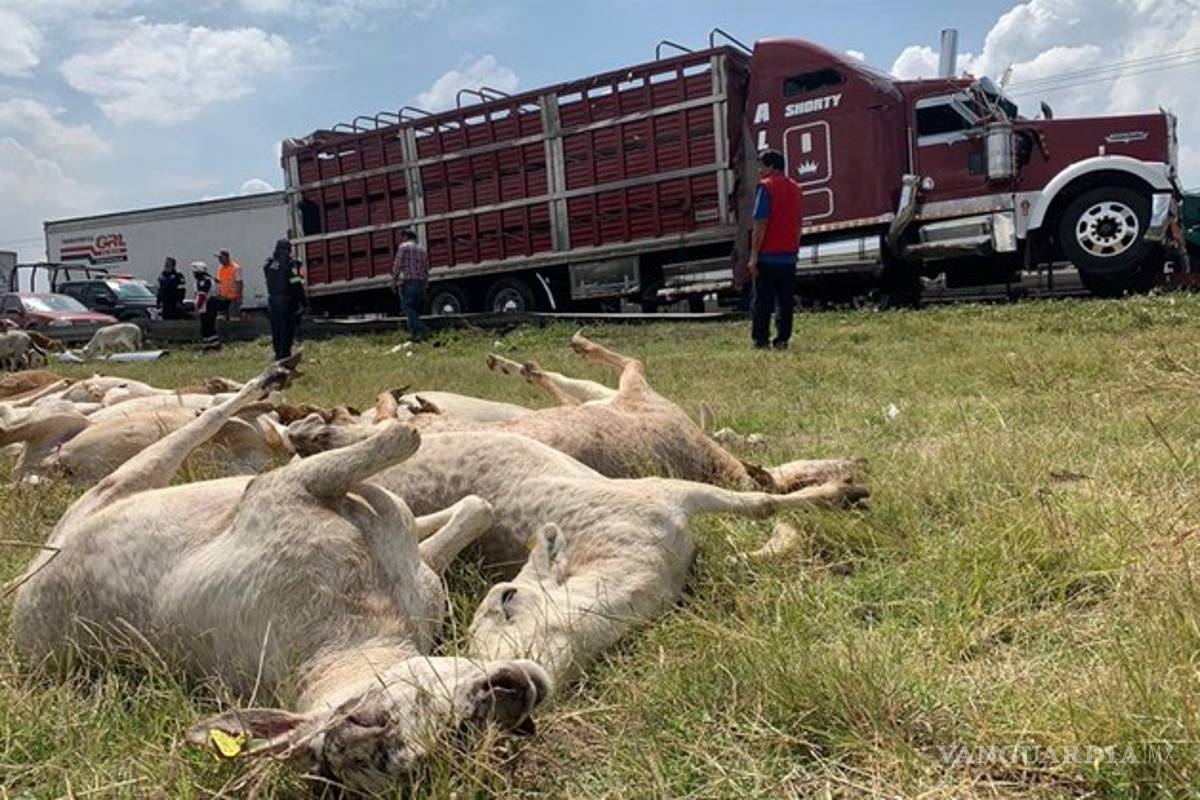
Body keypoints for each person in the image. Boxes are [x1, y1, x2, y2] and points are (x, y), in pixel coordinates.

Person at [748, 149, 802, 350]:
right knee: (785, 302)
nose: (759, 171)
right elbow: (798, 223)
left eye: (761, 166)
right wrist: (795, 249)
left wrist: (754, 255)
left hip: (768, 255)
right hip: (788, 256)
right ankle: (782, 339)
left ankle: (761, 340)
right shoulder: (796, 188)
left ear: (770, 166)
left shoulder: (766, 186)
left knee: (763, 301)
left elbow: (760, 222)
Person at [264, 238, 306, 361]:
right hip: (286, 301)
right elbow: (296, 284)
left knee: (276, 329)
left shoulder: (269, 264)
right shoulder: (290, 264)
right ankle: (285, 356)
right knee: (287, 329)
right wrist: (303, 302)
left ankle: (278, 354)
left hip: (272, 300)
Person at [391, 228, 431, 340]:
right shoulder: (422, 250)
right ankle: (414, 334)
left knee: (407, 307)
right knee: (415, 310)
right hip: (420, 282)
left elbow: (398, 265)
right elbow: (425, 269)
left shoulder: (403, 247)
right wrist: (426, 284)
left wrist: (394, 280)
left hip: (408, 282)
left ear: (405, 237)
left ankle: (423, 328)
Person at [191, 261, 219, 344]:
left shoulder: (204, 281)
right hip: (208, 304)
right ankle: (208, 344)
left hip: (208, 305)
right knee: (206, 326)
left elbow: (202, 295)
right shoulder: (206, 279)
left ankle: (213, 345)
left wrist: (197, 307)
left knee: (207, 326)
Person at [213, 249, 243, 320]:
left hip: (233, 298)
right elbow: (219, 281)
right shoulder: (220, 268)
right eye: (219, 258)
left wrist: (239, 296)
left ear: (226, 257)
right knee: (221, 317)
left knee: (234, 318)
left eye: (221, 257)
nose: (219, 260)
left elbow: (239, 282)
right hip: (223, 297)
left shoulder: (236, 268)